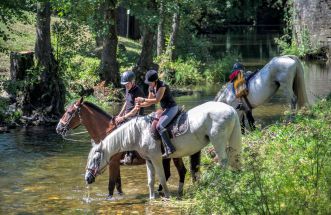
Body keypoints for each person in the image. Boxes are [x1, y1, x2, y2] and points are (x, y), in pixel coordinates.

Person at [135, 70, 178, 158]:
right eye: (148, 82)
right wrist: (141, 104)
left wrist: (143, 99)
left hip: (172, 108)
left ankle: (170, 148)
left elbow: (157, 100)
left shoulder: (162, 86)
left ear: (155, 81)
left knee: (160, 126)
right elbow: (150, 102)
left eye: (150, 82)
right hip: (164, 109)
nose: (149, 84)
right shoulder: (151, 88)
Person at [115, 70, 145, 164]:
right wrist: (120, 114)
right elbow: (126, 102)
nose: (125, 86)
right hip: (128, 115)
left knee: (126, 130)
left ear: (133, 82)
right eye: (124, 84)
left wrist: (123, 118)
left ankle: (130, 155)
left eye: (127, 84)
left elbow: (136, 110)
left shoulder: (138, 92)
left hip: (137, 117)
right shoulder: (128, 89)